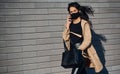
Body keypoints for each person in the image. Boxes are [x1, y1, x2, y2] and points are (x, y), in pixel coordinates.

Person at [62, 2, 103, 74]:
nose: (73, 13)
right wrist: (67, 25)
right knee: (82, 72)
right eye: (71, 12)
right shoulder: (68, 23)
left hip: (82, 52)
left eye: (74, 11)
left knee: (76, 72)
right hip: (73, 51)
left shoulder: (84, 23)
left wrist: (79, 49)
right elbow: (65, 38)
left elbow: (88, 39)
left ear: (78, 10)